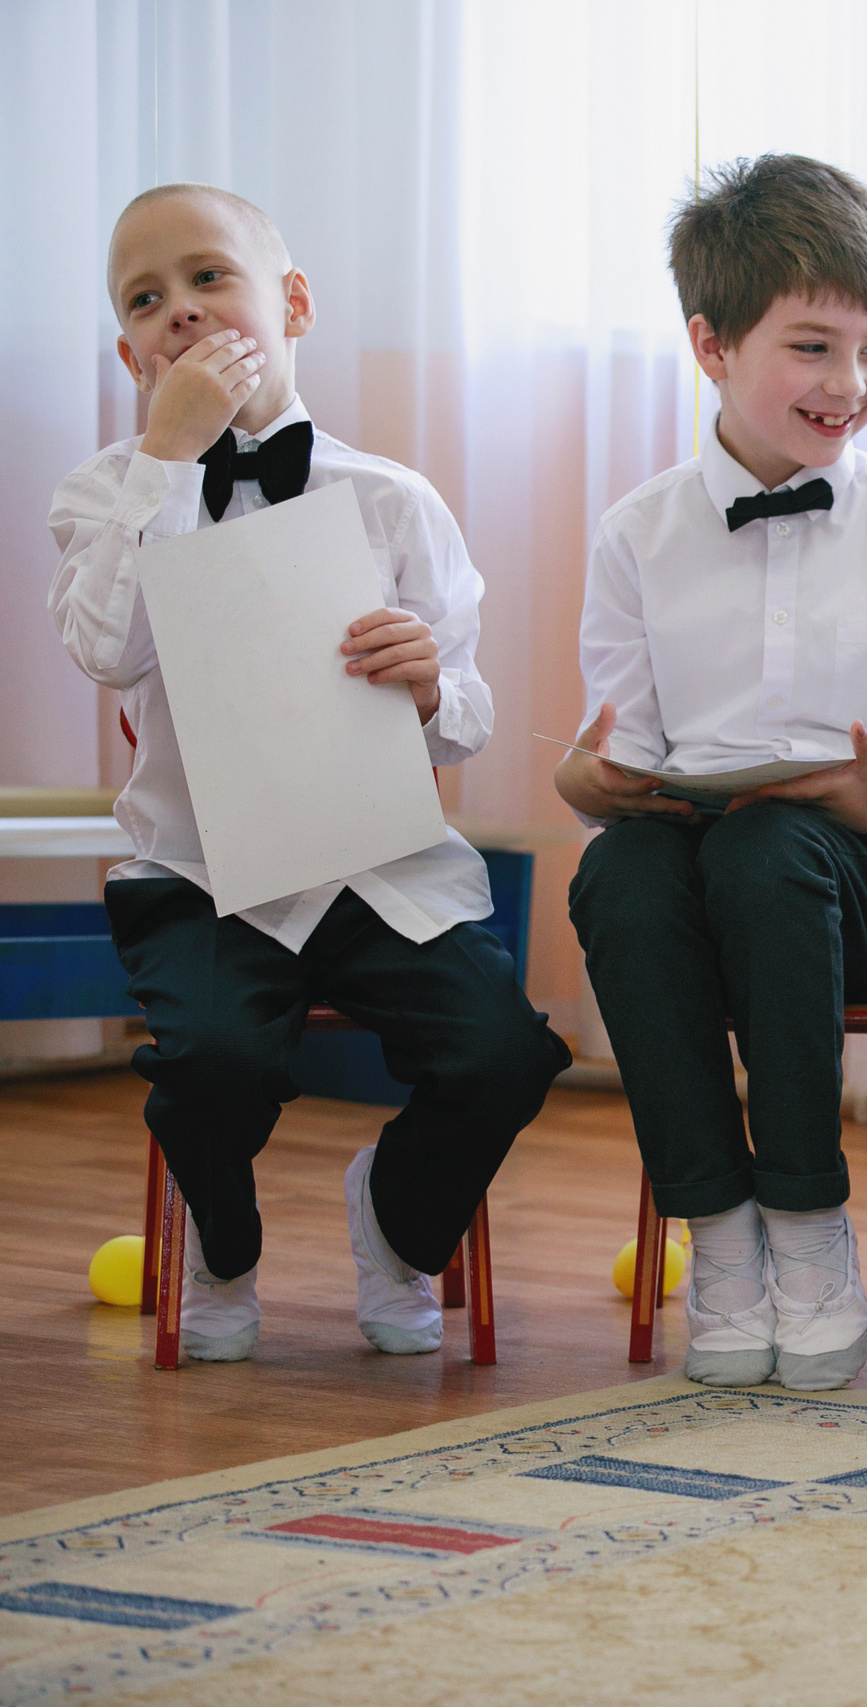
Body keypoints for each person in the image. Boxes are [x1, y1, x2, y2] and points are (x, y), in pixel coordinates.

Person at [49, 183, 570, 1362]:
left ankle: (396, 1218)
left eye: (208, 277)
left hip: (372, 865)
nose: (182, 310)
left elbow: (468, 717)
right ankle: (220, 1245)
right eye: (147, 300)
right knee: (214, 1060)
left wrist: (428, 686)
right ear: (130, 355)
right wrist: (168, 456)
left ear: (292, 302)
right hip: (198, 873)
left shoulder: (391, 499)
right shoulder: (103, 495)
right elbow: (105, 650)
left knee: (503, 1053)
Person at [560, 155, 867, 1392]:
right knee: (623, 876)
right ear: (711, 344)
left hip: (853, 878)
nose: (849, 384)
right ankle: (720, 1238)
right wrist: (594, 782)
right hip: (691, 866)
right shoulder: (636, 532)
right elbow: (622, 739)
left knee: (768, 851)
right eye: (812, 348)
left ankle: (809, 1228)